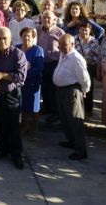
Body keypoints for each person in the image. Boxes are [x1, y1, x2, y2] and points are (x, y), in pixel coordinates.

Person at [0, 27, 27, 169]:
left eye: (5, 38)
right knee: (0, 124)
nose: (2, 41)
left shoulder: (18, 54)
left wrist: (2, 75)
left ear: (10, 39)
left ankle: (17, 155)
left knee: (14, 126)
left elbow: (21, 76)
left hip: (12, 94)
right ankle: (3, 149)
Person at [52, 33, 91, 161]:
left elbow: (84, 78)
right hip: (61, 91)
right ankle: (72, 141)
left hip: (71, 91)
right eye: (60, 44)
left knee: (75, 121)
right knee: (65, 118)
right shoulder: (63, 54)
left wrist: (84, 91)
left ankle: (81, 151)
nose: (61, 47)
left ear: (72, 45)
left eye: (64, 44)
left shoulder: (76, 58)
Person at [37, 11, 65, 120]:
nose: (46, 20)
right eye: (44, 17)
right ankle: (46, 108)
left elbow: (64, 49)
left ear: (54, 20)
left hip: (54, 63)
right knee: (44, 87)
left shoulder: (59, 32)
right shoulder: (38, 30)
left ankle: (55, 112)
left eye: (49, 18)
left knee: (54, 88)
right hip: (41, 63)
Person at [17, 27, 44, 140]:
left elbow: (39, 68)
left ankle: (34, 131)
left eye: (29, 36)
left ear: (33, 37)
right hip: (20, 83)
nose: (26, 38)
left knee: (34, 108)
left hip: (33, 82)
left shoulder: (38, 50)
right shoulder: (17, 48)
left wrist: (23, 75)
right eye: (24, 35)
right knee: (22, 106)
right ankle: (24, 127)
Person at [75, 23, 99, 116]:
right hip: (77, 68)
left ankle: (88, 110)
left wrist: (89, 60)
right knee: (78, 89)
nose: (84, 32)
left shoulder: (94, 42)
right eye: (82, 29)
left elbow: (98, 57)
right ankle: (78, 109)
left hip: (89, 68)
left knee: (88, 89)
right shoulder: (75, 39)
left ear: (90, 30)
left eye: (86, 30)